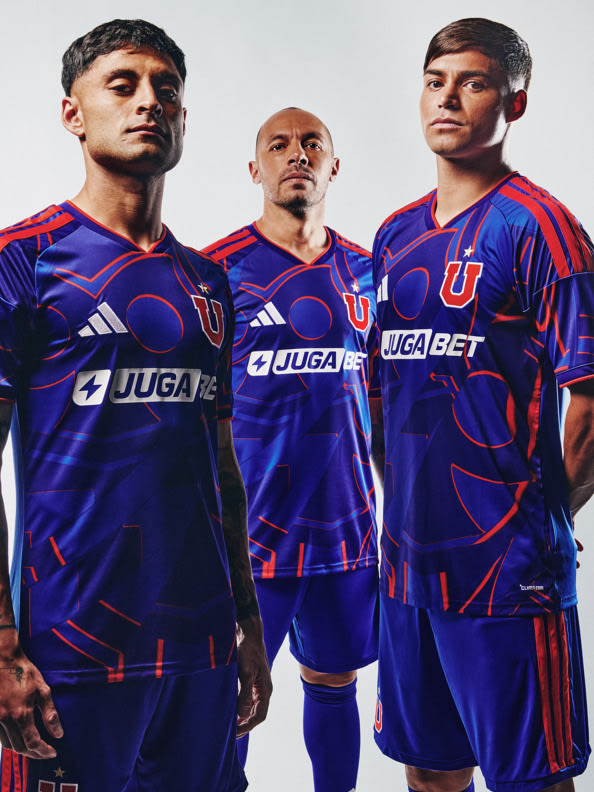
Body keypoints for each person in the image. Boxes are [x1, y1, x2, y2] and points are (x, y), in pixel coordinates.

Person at [0, 18, 271, 792]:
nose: (150, 101)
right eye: (123, 85)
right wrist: (1, 645)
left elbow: (222, 469)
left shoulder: (206, 282)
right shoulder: (24, 261)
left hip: (202, 644)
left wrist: (247, 622)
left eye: (167, 90)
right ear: (72, 114)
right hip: (70, 648)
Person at [372, 17, 594, 792]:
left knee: (530, 780)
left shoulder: (543, 228)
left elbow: (591, 399)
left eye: (472, 83)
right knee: (430, 771)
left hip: (507, 576)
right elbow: (383, 395)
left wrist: (543, 516)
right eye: (435, 81)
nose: (447, 98)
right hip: (406, 568)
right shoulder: (394, 236)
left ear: (514, 103)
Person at [204, 107, 382, 792]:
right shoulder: (215, 272)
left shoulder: (367, 271)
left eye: (312, 144)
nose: (297, 155)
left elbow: (385, 406)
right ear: (256, 169)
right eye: (279, 146)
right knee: (229, 701)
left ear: (334, 166)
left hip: (345, 530)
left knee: (334, 682)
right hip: (249, 539)